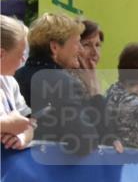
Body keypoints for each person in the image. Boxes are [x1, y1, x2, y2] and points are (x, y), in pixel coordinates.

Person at [14, 13, 102, 155]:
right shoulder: (64, 82)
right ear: (55, 47)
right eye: (76, 43)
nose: (79, 50)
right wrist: (95, 95)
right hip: (55, 172)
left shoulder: (15, 76)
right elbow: (87, 140)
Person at [1, 15, 33, 150]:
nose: (24, 59)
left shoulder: (10, 81)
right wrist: (6, 124)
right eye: (20, 54)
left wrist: (22, 138)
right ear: (1, 54)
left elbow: (31, 123)